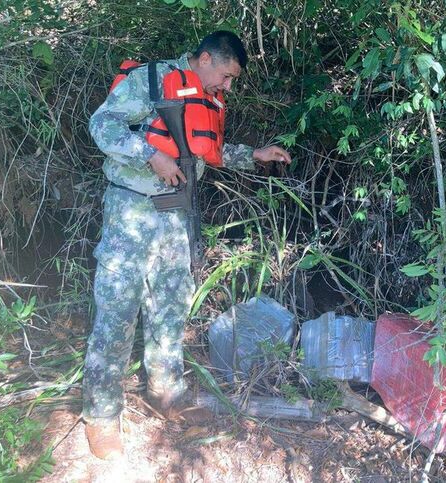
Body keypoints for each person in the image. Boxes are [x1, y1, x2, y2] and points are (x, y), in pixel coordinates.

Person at [83, 30, 291, 460]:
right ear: (204, 58)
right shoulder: (153, 79)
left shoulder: (204, 96)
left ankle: (166, 392)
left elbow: (203, 152)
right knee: (118, 307)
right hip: (131, 209)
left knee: (172, 303)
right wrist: (148, 153)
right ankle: (101, 417)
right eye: (227, 75)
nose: (228, 87)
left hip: (175, 215)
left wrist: (255, 154)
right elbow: (101, 123)